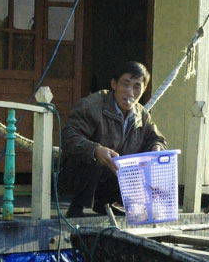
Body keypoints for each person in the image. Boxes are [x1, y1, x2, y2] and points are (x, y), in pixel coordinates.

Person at [58, 61, 167, 218]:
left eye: (137, 86)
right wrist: (95, 150)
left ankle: (106, 204)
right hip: (76, 176)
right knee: (94, 158)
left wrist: (156, 149)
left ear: (143, 90)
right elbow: (69, 137)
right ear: (114, 84)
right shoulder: (91, 105)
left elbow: (157, 139)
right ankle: (77, 208)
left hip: (112, 176)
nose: (130, 92)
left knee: (142, 164)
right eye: (126, 84)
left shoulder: (142, 115)